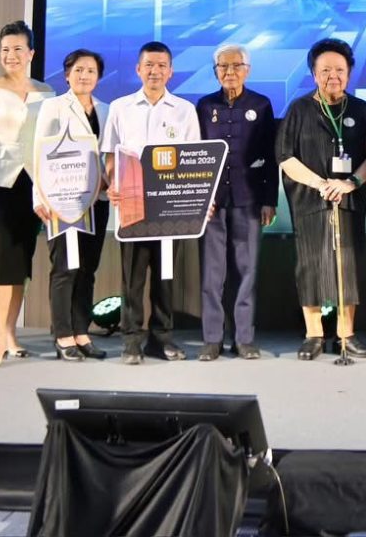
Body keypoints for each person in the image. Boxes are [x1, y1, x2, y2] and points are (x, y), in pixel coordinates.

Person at [278, 38, 366, 360]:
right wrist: (320, 183)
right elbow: (285, 157)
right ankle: (313, 335)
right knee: (311, 263)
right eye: (325, 70)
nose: (332, 76)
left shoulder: (361, 109)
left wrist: (351, 183)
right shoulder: (299, 109)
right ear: (314, 74)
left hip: (349, 199)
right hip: (310, 200)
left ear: (349, 73)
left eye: (339, 69)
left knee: (348, 265)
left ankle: (346, 334)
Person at [102, 41, 199, 365]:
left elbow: (193, 159)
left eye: (161, 66)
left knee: (165, 275)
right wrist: (113, 183)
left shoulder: (184, 110)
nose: (155, 71)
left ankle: (162, 338)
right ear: (138, 69)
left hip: (169, 208)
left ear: (170, 71)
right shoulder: (120, 107)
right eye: (149, 65)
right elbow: (111, 155)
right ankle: (131, 340)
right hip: (132, 207)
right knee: (132, 277)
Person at [0, 21, 54, 368]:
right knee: (3, 256)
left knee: (22, 259)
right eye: (5, 49)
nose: (11, 55)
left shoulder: (46, 93)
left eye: (18, 49)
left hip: (35, 186)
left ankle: (11, 334)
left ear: (31, 53)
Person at [195, 43, 278, 361]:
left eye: (236, 66)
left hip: (250, 199)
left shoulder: (261, 104)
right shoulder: (204, 106)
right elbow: (194, 155)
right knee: (212, 274)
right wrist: (199, 196)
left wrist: (270, 199)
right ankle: (211, 339)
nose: (230, 72)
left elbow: (270, 156)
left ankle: (244, 338)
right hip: (212, 203)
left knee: (247, 271)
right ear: (215, 71)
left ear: (248, 70)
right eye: (223, 66)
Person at [32, 48, 110, 362]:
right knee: (65, 267)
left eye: (90, 71)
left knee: (88, 268)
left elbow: (109, 155)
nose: (84, 76)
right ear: (67, 75)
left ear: (98, 76)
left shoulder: (107, 110)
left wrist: (109, 181)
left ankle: (81, 332)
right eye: (78, 70)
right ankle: (62, 335)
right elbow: (39, 153)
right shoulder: (53, 107)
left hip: (96, 201)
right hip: (61, 201)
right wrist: (39, 198)